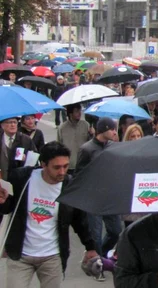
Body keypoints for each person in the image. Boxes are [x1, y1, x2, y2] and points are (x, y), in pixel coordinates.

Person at [0, 141, 98, 288]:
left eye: (65, 166)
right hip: (21, 255)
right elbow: (9, 209)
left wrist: (90, 246)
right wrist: (3, 202)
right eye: (57, 167)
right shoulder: (23, 178)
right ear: (43, 164)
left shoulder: (69, 185)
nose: (62, 172)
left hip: (52, 257)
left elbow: (79, 220)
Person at [76, 117, 121, 258]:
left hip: (109, 195)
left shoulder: (112, 146)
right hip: (93, 197)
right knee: (95, 232)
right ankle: (99, 264)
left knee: (115, 231)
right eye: (112, 129)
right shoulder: (87, 149)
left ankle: (98, 254)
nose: (114, 132)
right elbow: (79, 174)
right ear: (103, 130)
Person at [57, 104, 93, 172]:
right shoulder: (62, 128)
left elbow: (91, 144)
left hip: (83, 164)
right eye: (76, 111)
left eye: (80, 110)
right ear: (70, 113)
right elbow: (59, 146)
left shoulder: (86, 125)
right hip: (68, 165)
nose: (79, 113)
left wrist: (92, 135)